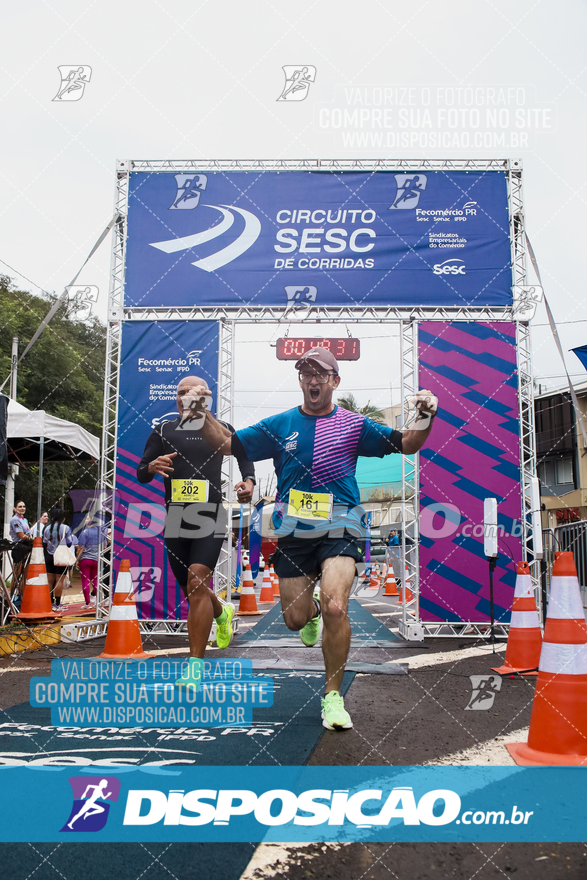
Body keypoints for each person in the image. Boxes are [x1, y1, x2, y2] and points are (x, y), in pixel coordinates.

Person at [190, 348, 437, 731]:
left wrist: (424, 416)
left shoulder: (355, 425)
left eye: (321, 373)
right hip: (295, 532)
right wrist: (201, 414)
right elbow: (226, 444)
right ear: (301, 381)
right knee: (294, 619)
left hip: (342, 524)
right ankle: (314, 615)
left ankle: (333, 696)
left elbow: (407, 443)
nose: (313, 379)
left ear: (335, 382)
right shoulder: (280, 424)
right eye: (306, 372)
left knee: (337, 604)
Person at [137, 376, 256, 688]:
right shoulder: (164, 429)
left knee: (197, 580)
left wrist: (249, 481)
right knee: (195, 591)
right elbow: (141, 472)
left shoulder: (219, 427)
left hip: (210, 514)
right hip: (176, 516)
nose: (185, 397)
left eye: (194, 393)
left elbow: (244, 456)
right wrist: (151, 467)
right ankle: (222, 611)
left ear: (205, 397)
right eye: (180, 393)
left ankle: (194, 667)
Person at [43, 508, 76, 610]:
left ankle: (49, 602)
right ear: (63, 519)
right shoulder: (66, 528)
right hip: (61, 557)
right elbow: (70, 543)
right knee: (59, 581)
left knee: (49, 580)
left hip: (49, 556)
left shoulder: (46, 528)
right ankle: (57, 604)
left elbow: (44, 544)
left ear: (52, 518)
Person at [76, 515, 108, 609]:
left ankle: (87, 603)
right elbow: (105, 546)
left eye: (87, 518)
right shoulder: (101, 533)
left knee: (85, 581)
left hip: (86, 559)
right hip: (97, 560)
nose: (86, 520)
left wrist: (78, 560)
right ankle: (98, 602)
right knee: (96, 581)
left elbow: (81, 547)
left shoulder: (85, 532)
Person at [9, 500, 33, 586]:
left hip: (27, 548)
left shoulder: (24, 520)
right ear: (15, 509)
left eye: (24, 506)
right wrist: (32, 539)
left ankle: (21, 596)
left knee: (25, 576)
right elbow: (22, 536)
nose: (22, 508)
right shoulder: (15, 520)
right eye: (20, 506)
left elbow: (28, 533)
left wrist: (30, 537)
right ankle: (12, 596)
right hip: (18, 548)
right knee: (17, 575)